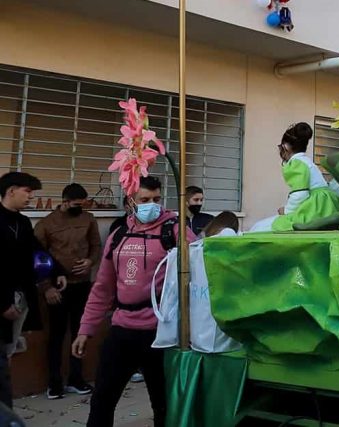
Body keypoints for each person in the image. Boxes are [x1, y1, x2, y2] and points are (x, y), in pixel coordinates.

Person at [73, 176, 194, 427]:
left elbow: (198, 276)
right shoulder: (119, 235)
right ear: (131, 201)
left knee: (163, 405)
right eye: (145, 200)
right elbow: (103, 288)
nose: (153, 205)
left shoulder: (175, 230)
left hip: (160, 335)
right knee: (102, 400)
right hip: (121, 330)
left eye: (157, 200)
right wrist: (86, 329)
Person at [1, 172, 67, 409]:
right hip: (4, 300)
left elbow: (36, 250)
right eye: (27, 192)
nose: (30, 197)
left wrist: (56, 270)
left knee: (7, 355)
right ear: (11, 191)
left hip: (20, 298)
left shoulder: (22, 222)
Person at [33, 183, 101, 399]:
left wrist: (90, 262)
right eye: (74, 205)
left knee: (79, 333)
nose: (79, 208)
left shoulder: (88, 219)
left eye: (82, 205)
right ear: (64, 202)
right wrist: (46, 287)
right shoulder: (46, 224)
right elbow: (37, 257)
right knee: (56, 336)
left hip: (82, 285)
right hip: (57, 289)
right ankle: (54, 382)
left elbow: (96, 246)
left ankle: (76, 377)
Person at [251, 123, 339, 232]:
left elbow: (300, 194)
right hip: (328, 208)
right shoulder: (307, 162)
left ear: (286, 146)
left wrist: (286, 210)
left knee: (261, 227)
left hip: (315, 211)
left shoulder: (296, 163)